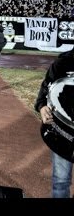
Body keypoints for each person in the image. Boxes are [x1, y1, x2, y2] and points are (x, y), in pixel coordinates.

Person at [35, 47, 74, 198]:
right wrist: (41, 106)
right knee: (61, 181)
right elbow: (46, 88)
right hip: (62, 134)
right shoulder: (62, 62)